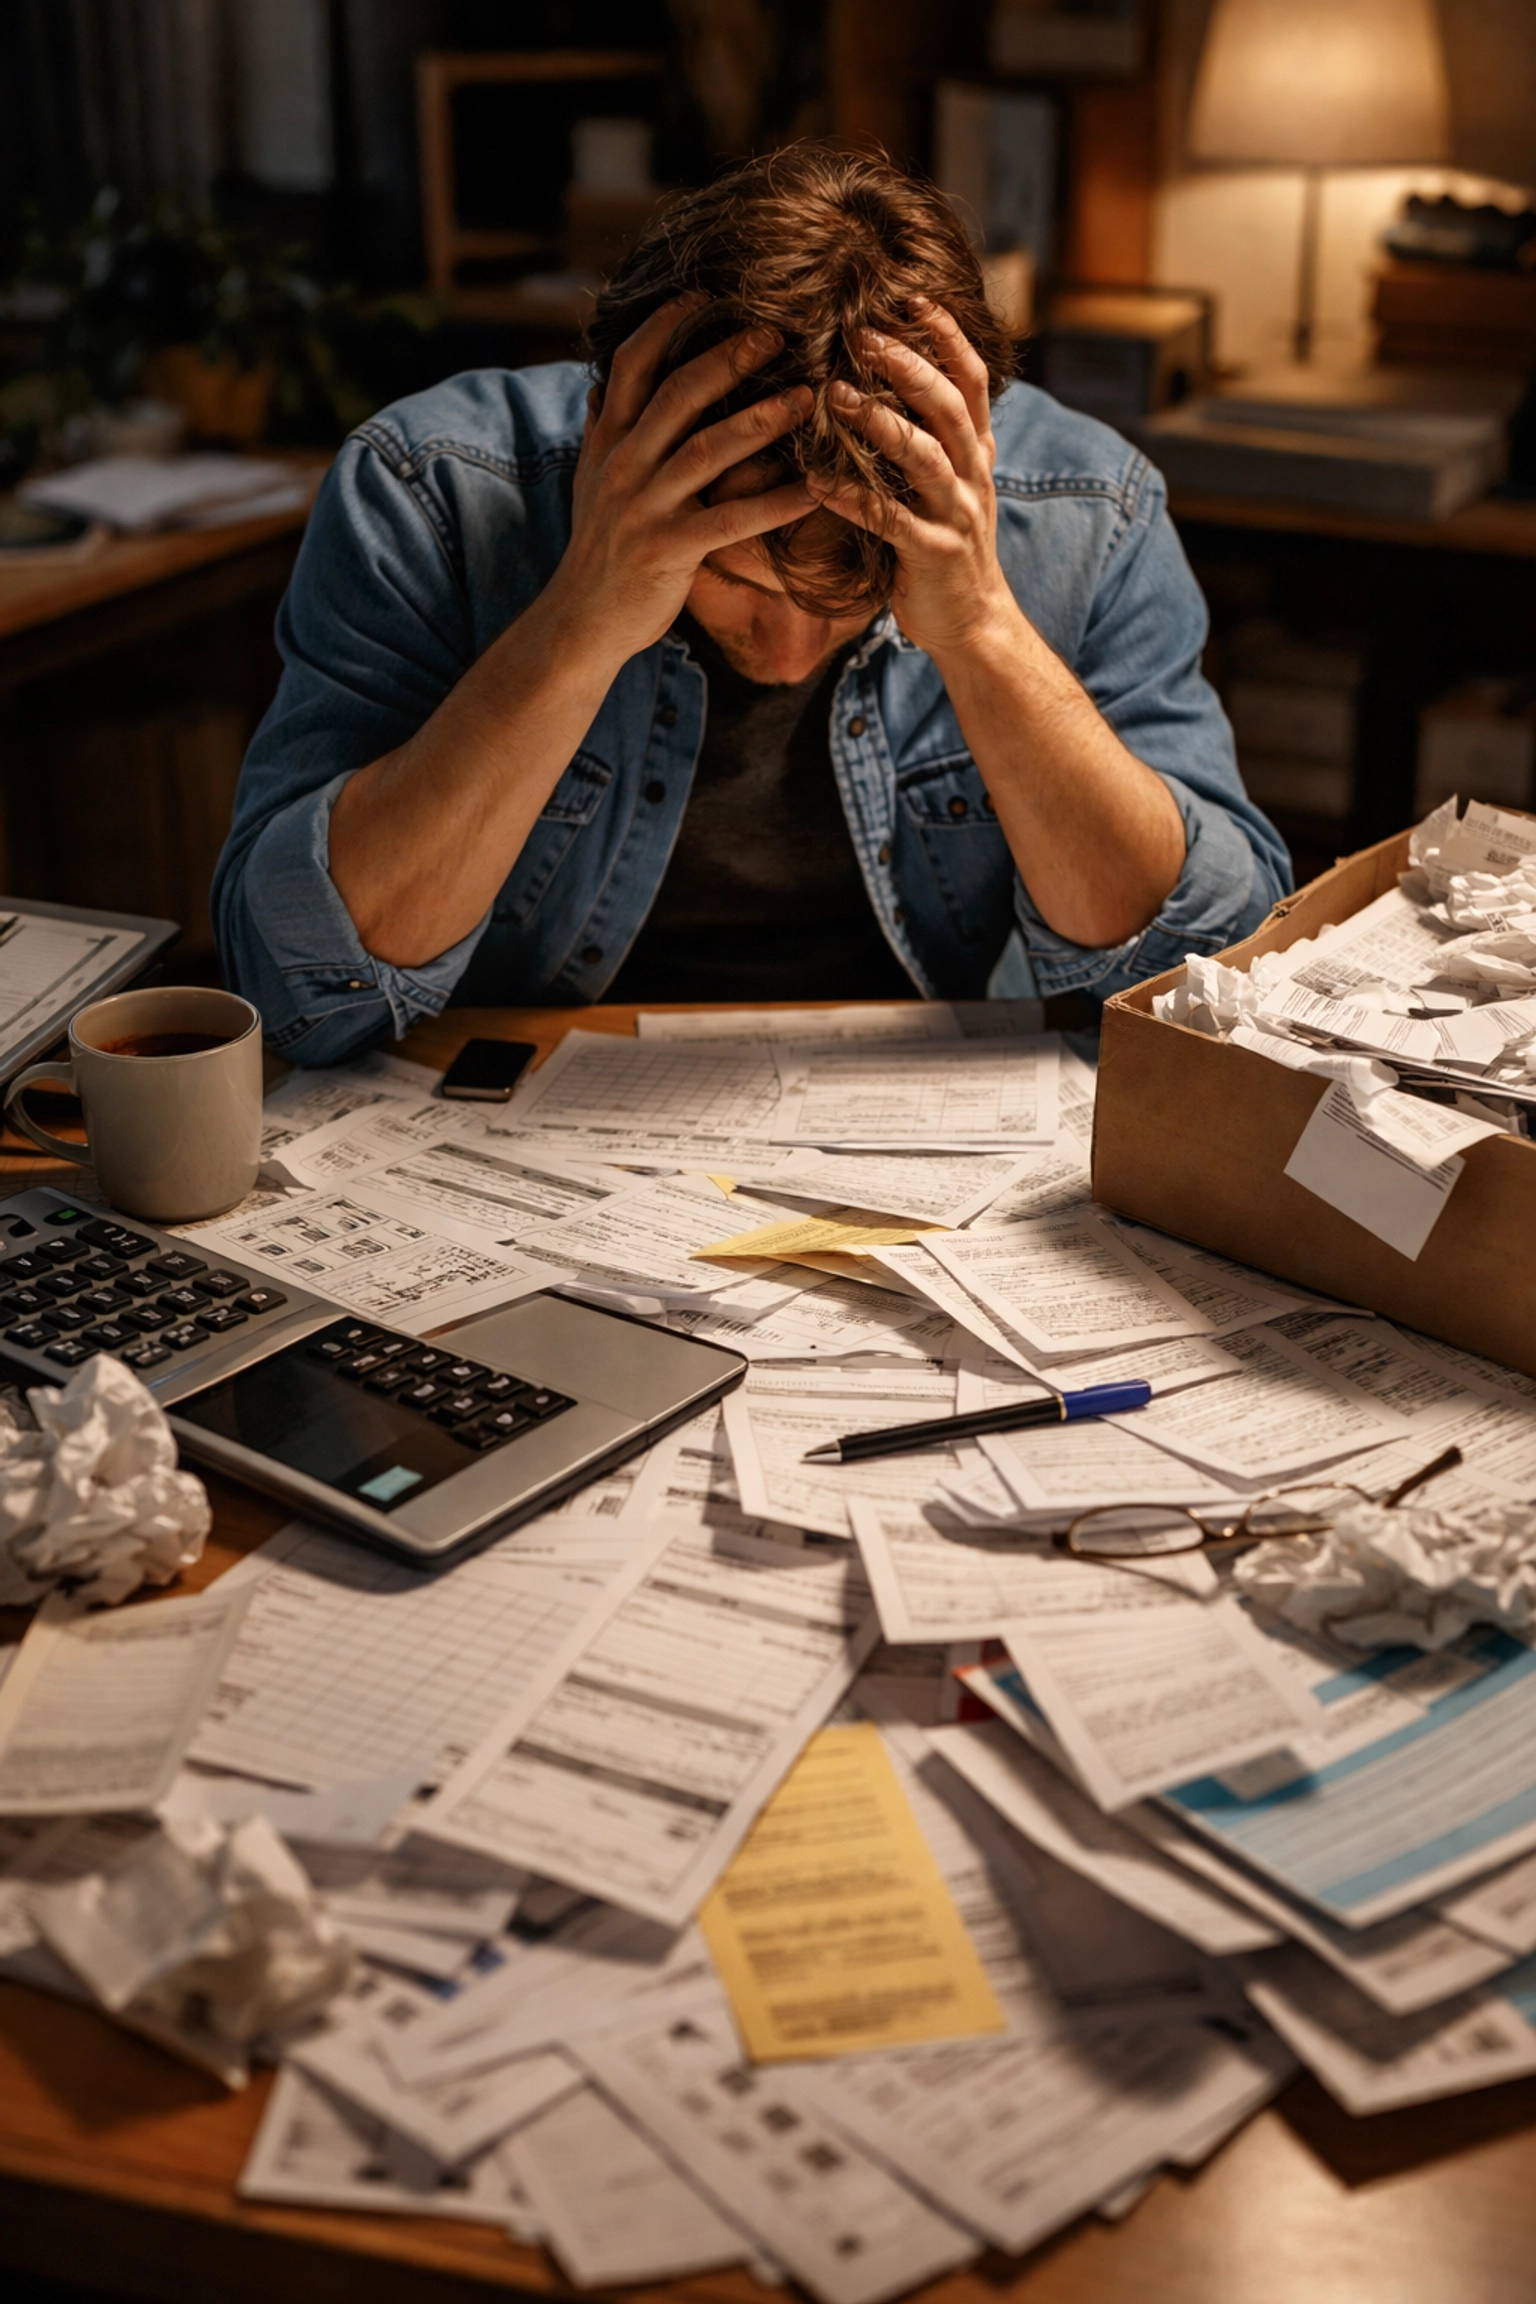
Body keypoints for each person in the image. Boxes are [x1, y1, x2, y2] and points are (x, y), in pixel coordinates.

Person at [214, 144, 1288, 1063]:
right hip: (511, 1104)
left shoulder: (1088, 509)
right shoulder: (427, 491)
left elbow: (1203, 985)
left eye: (849, 604)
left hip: (925, 1114)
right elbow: (298, 986)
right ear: (612, 444)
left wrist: (982, 630)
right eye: (727, 580)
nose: (784, 654)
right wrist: (584, 615)